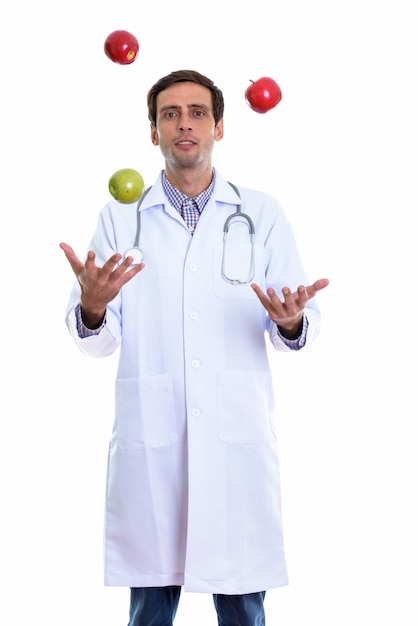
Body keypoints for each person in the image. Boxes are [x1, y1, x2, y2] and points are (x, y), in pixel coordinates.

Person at [60, 69, 329, 626]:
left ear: (220, 127)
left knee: (243, 604)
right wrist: (91, 306)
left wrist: (291, 319)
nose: (184, 124)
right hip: (152, 436)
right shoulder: (120, 216)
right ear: (152, 131)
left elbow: (298, 328)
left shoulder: (260, 212)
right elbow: (95, 340)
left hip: (235, 437)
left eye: (197, 112)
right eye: (170, 114)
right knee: (150, 611)